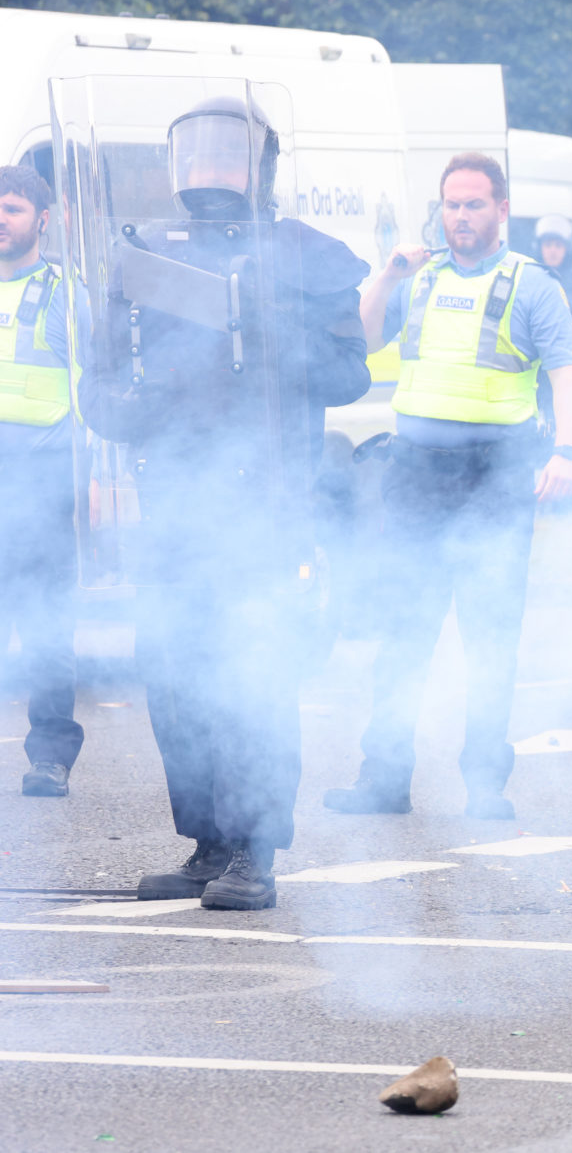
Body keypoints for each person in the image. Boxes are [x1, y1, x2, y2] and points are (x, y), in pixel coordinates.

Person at [75, 94, 370, 909]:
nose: (208, 171)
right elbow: (101, 374)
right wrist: (123, 406)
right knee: (175, 676)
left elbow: (353, 375)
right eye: (195, 155)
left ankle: (256, 853)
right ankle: (207, 842)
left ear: (260, 165)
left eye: (226, 154)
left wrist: (275, 321)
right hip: (175, 505)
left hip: (266, 508)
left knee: (253, 676)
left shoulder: (310, 255)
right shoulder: (146, 254)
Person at [324, 152, 572, 821]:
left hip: (495, 477)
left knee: (490, 637)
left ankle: (485, 787)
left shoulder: (534, 285)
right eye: (451, 204)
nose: (460, 216)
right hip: (416, 472)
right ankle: (383, 779)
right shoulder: (421, 278)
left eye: (473, 204)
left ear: (502, 209)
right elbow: (364, 335)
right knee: (404, 629)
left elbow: (566, 376)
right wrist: (387, 272)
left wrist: (566, 451)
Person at [0, 165, 84, 798]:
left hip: (40, 480)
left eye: (14, 210)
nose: (1, 220)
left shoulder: (64, 294)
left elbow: (92, 386)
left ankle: (50, 754)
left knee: (47, 623)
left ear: (44, 221)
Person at [535, 214, 572, 331]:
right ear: (540, 248)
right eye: (548, 245)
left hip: (566, 345)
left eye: (558, 245)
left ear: (567, 249)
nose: (553, 251)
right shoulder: (530, 276)